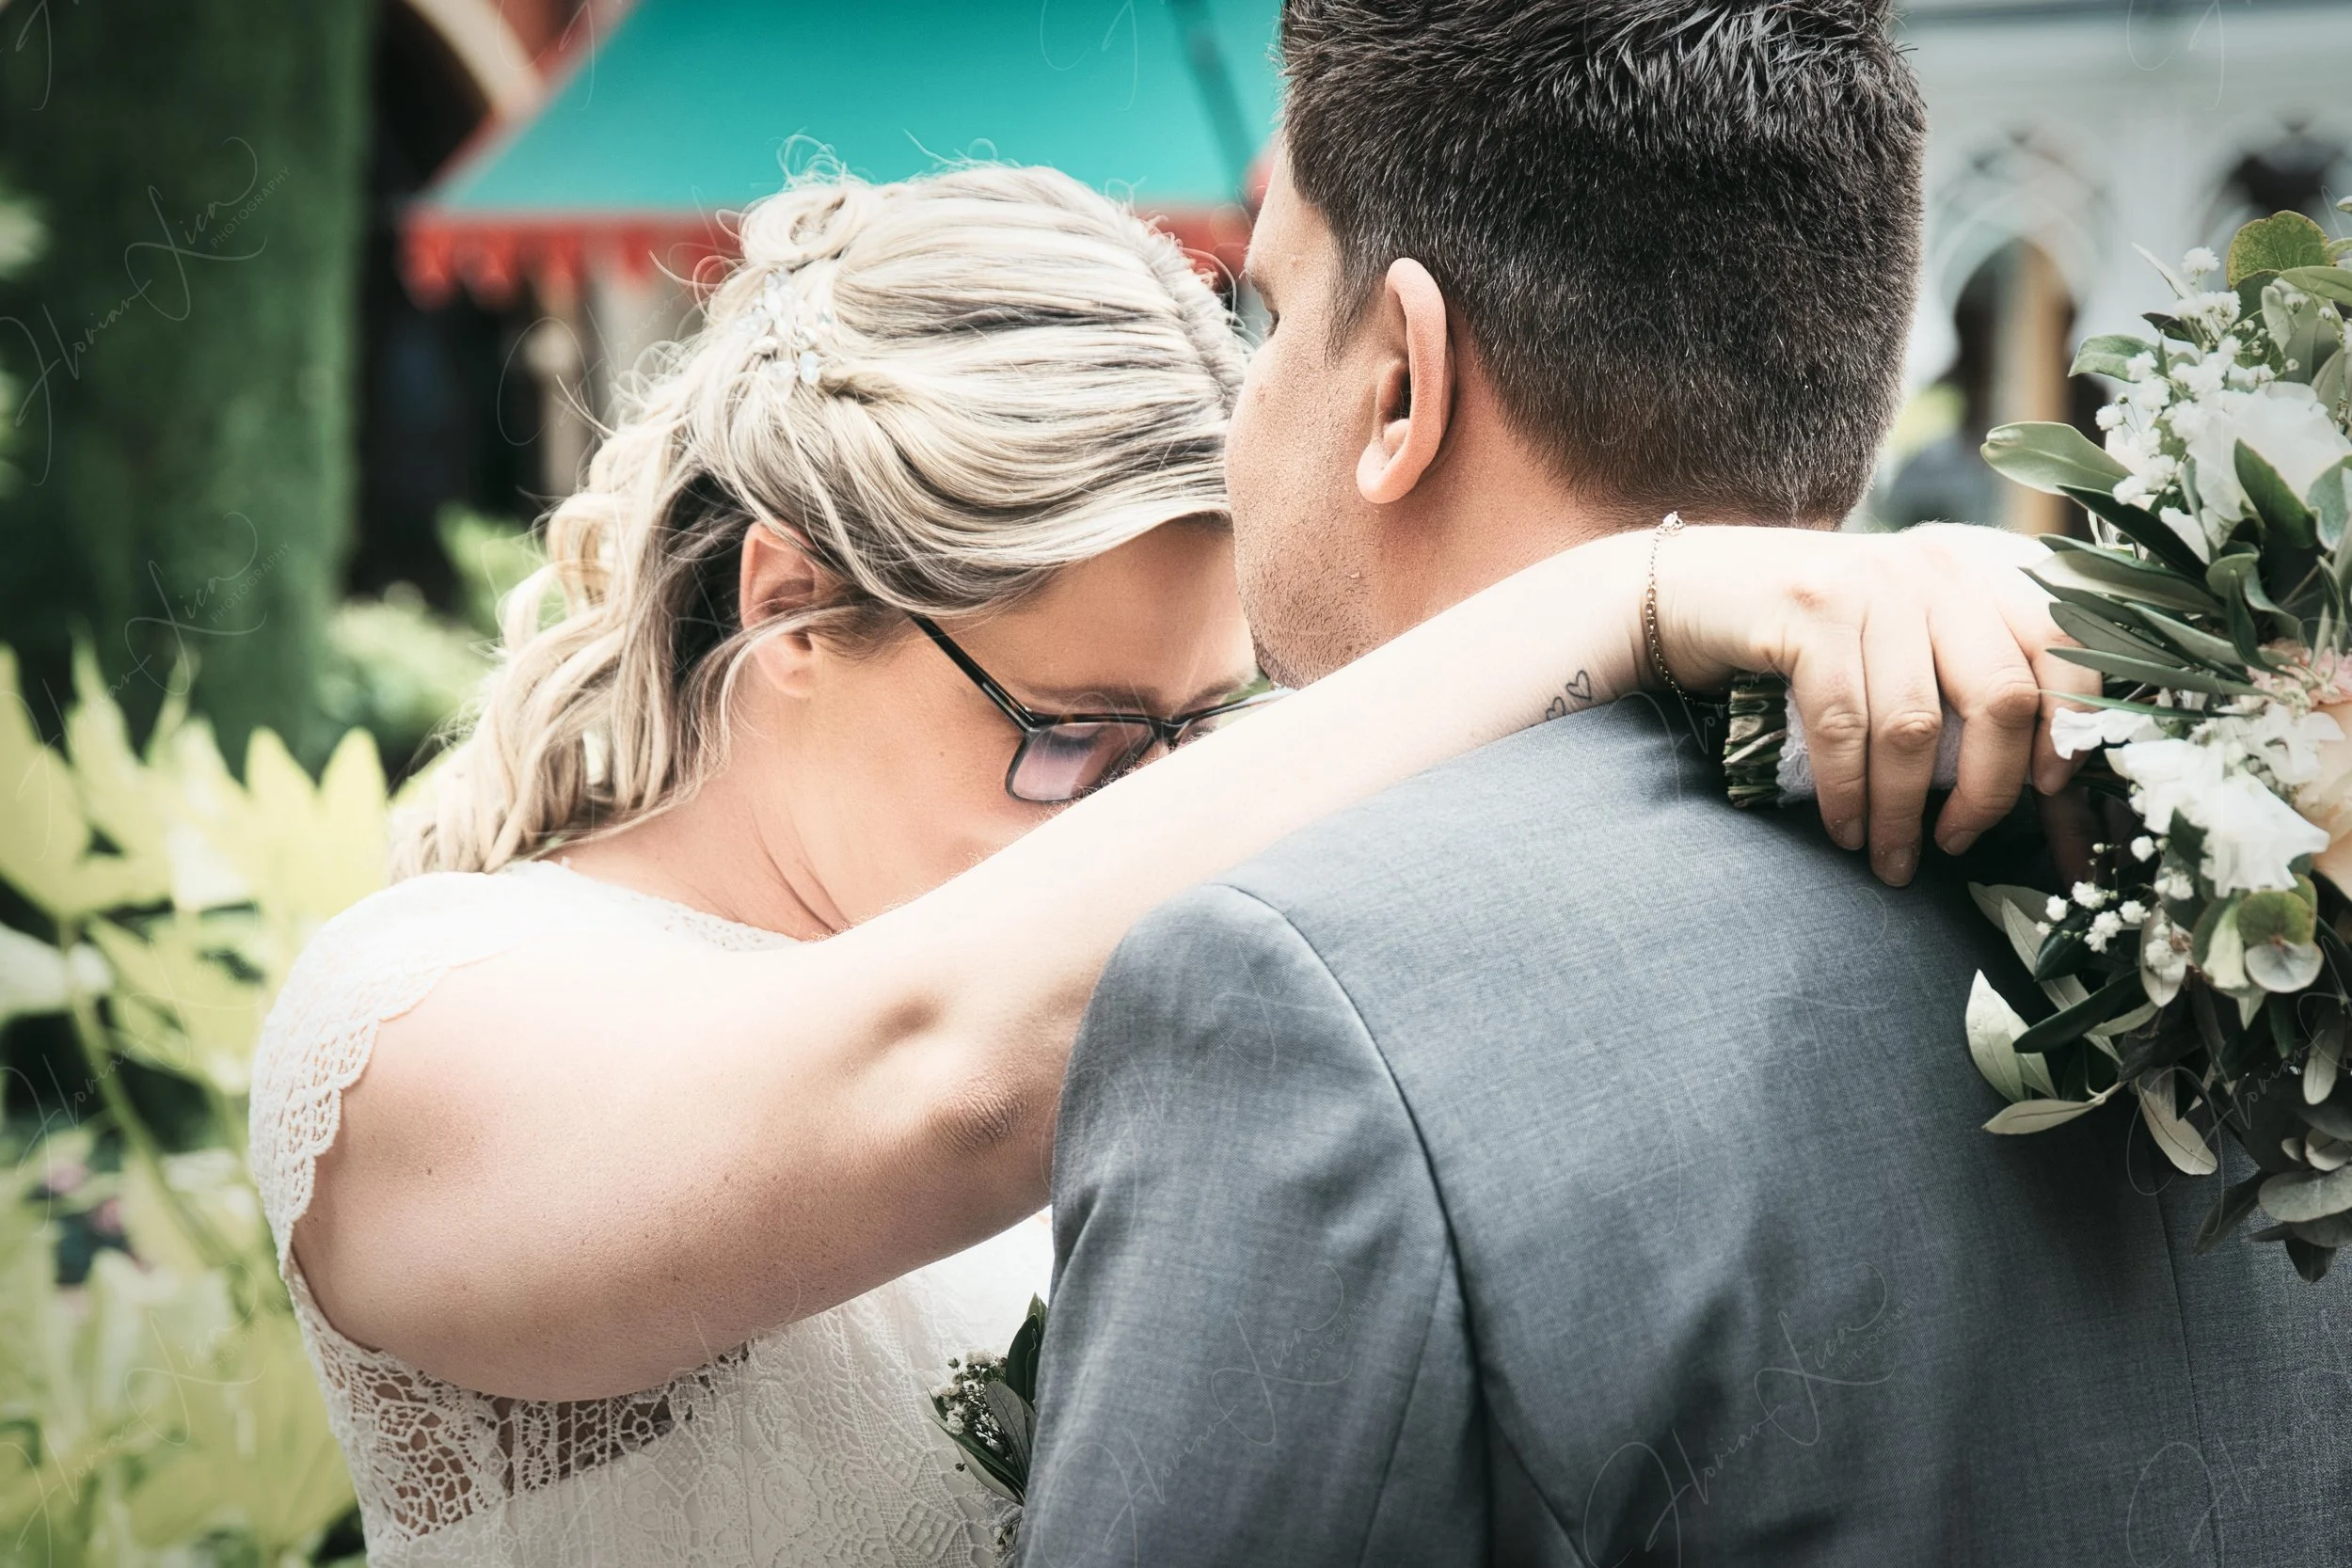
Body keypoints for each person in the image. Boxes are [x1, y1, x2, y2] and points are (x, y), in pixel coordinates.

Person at [251, 164, 2079, 1568]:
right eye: (1072, 733)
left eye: (1194, 730)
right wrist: (1621, 595)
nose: (1146, 816)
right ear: (793, 599)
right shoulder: (411, 1021)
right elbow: (929, 1069)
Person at [1016, 2, 2352, 1563]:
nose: (1236, 421)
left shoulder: (1296, 996)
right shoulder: (2239, 875)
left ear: (1399, 383)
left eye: (1267, 318)